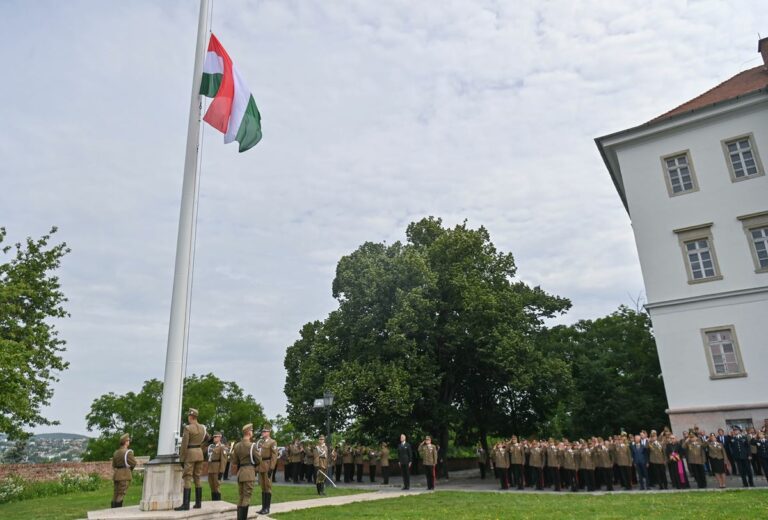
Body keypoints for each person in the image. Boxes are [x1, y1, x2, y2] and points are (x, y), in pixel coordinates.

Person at [175, 408, 208, 511]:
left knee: (187, 477)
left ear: (191, 417)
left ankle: (186, 504)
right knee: (197, 477)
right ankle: (198, 503)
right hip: (199, 453)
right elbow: (208, 438)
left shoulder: (188, 428)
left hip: (190, 454)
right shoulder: (203, 428)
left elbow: (184, 445)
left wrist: (182, 458)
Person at [230, 423, 259, 520]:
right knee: (247, 497)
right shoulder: (252, 446)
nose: (252, 432)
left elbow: (234, 461)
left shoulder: (237, 445)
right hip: (249, 472)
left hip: (240, 473)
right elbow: (259, 460)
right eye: (251, 431)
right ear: (249, 432)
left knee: (241, 497)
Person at [256, 423, 279, 515]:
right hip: (261, 465)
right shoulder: (261, 442)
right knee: (263, 487)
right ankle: (263, 507)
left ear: (269, 432)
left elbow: (274, 456)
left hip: (268, 465)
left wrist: (271, 468)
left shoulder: (272, 442)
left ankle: (267, 508)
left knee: (267, 487)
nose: (263, 433)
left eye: (265, 431)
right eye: (263, 431)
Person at [110, 433, 136, 508]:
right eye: (128, 440)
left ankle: (112, 511)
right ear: (125, 442)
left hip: (117, 475)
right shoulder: (128, 452)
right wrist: (130, 469)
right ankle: (117, 512)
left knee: (115, 494)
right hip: (124, 475)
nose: (129, 442)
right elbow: (133, 463)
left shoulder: (116, 452)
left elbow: (114, 465)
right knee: (121, 494)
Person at [206, 432, 227, 501]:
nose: (214, 438)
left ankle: (218, 503)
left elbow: (223, 461)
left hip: (217, 470)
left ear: (220, 438)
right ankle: (213, 502)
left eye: (216, 437)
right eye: (214, 437)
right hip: (211, 469)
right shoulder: (212, 446)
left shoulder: (222, 447)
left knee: (217, 487)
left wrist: (221, 472)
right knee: (212, 487)